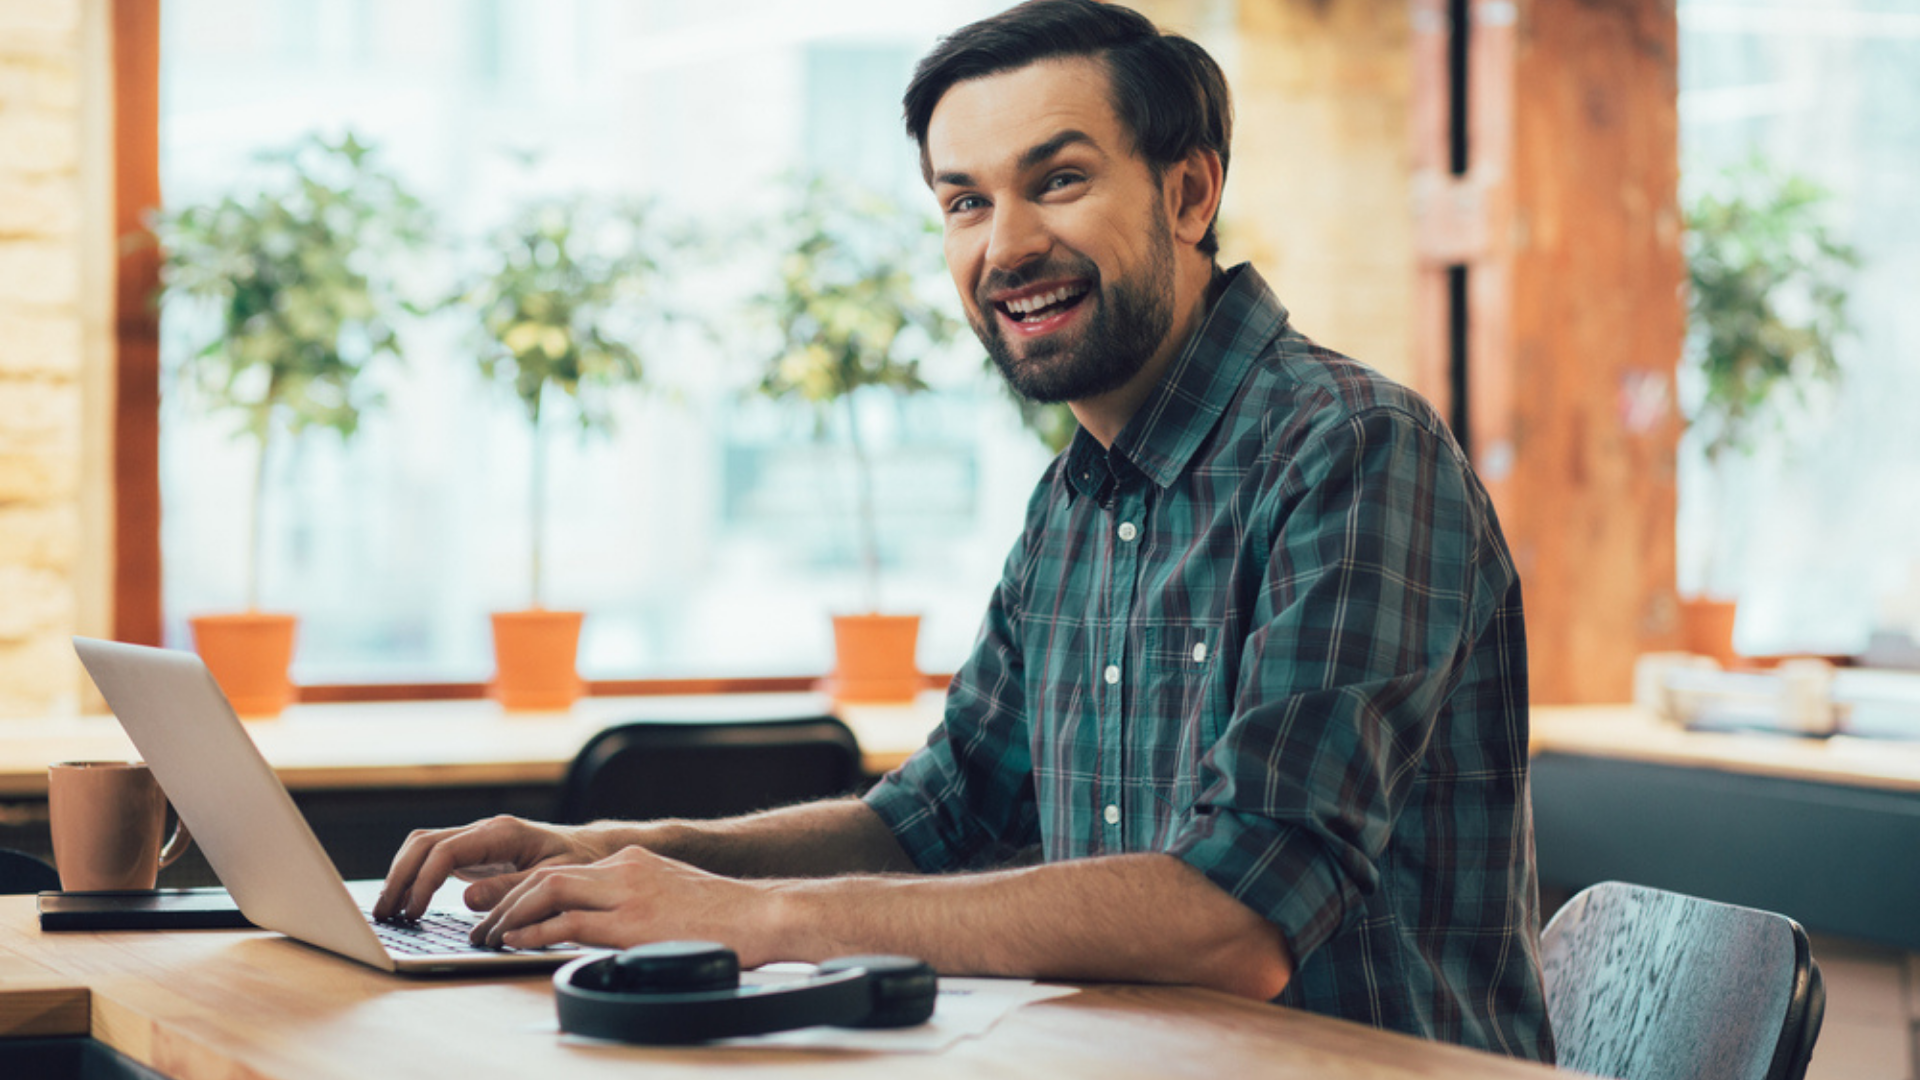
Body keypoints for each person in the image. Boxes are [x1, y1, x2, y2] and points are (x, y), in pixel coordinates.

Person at [376, 0, 1553, 1060]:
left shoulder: (1351, 451)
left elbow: (1240, 919)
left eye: (1058, 181)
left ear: (1189, 194)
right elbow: (938, 820)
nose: (1004, 248)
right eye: (964, 201)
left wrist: (758, 921)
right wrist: (635, 853)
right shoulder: (1082, 494)